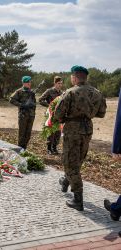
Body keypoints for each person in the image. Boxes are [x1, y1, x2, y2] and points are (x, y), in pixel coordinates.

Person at [54, 65, 107, 211]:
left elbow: (58, 115)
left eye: (71, 77)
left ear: (75, 77)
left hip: (73, 130)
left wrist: (70, 118)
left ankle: (78, 199)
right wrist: (86, 114)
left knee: (70, 162)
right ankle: (66, 180)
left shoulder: (70, 92)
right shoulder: (97, 93)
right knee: (77, 159)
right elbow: (102, 113)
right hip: (87, 129)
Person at [9, 76, 36, 150]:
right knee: (22, 134)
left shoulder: (32, 92)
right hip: (23, 116)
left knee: (28, 134)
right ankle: (20, 149)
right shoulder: (19, 91)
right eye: (28, 82)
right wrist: (22, 105)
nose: (30, 83)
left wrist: (33, 105)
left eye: (30, 82)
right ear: (24, 83)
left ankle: (24, 149)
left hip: (31, 116)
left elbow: (34, 103)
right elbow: (11, 100)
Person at [39, 76, 63, 154]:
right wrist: (49, 105)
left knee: (58, 132)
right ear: (55, 83)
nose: (60, 85)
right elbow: (40, 100)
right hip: (50, 115)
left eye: (61, 83)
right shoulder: (49, 91)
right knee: (50, 132)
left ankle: (55, 148)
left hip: (59, 115)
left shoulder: (62, 93)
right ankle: (49, 148)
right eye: (58, 83)